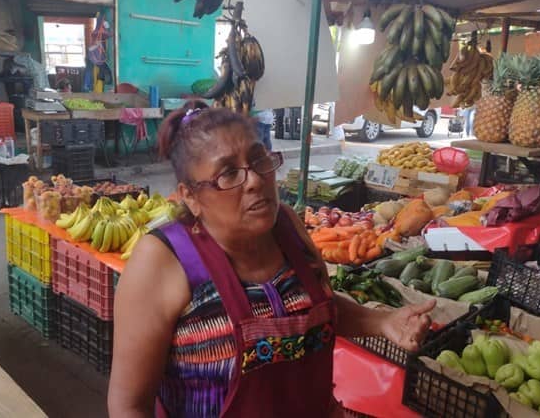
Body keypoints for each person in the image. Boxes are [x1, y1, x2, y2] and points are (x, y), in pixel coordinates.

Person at [108, 100, 436, 417]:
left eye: (259, 160)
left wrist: (381, 322)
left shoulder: (288, 227)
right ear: (190, 197)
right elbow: (129, 405)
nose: (254, 181)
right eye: (228, 173)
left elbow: (315, 307)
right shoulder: (163, 261)